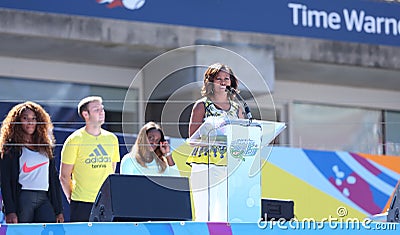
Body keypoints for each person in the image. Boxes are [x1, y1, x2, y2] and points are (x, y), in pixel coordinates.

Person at [187, 63, 244, 222]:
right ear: (210, 82)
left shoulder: (237, 108)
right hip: (205, 165)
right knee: (205, 214)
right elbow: (192, 140)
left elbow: (243, 136)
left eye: (226, 79)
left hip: (229, 167)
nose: (223, 82)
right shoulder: (202, 105)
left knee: (225, 216)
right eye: (218, 78)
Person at [0, 101, 64, 223]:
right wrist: (10, 211)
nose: (30, 122)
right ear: (17, 121)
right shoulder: (11, 148)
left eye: (34, 119)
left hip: (44, 198)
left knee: (48, 228)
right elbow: (5, 181)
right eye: (25, 118)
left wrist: (58, 210)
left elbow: (53, 180)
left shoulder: (45, 147)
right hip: (23, 199)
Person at [59, 96, 120, 222]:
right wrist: (72, 198)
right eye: (96, 109)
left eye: (102, 109)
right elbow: (64, 176)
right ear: (85, 114)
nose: (102, 112)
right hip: (82, 203)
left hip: (106, 203)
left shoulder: (112, 139)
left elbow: (112, 169)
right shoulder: (74, 140)